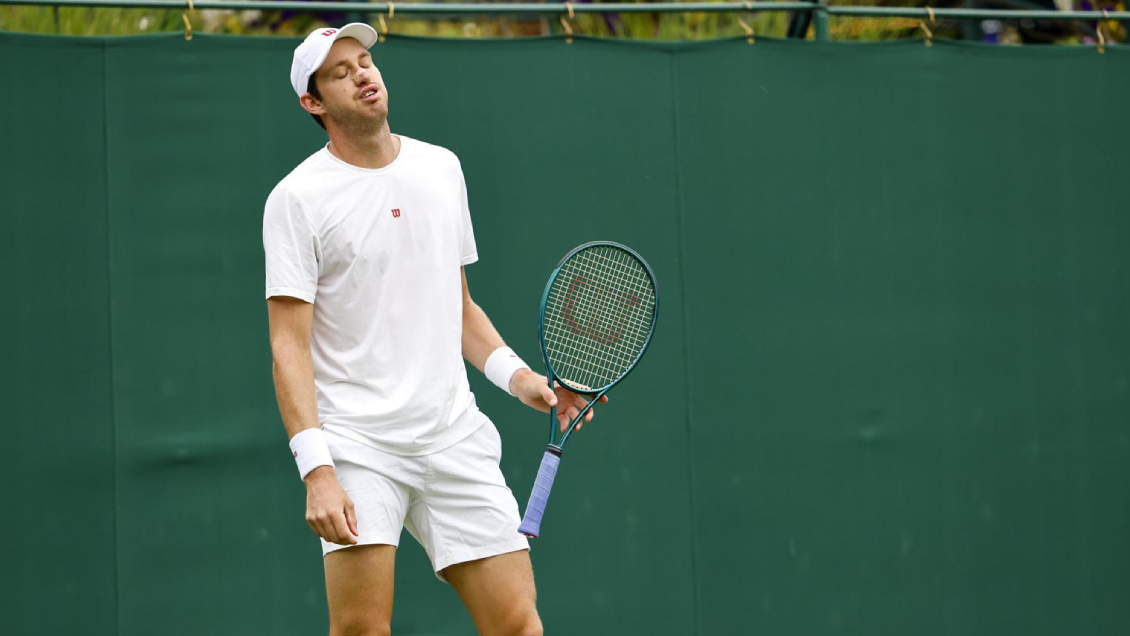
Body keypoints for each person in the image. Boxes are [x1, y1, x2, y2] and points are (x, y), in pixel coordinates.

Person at [262, 23, 606, 636]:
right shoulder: (296, 199)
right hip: (359, 448)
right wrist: (317, 470)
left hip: (453, 437)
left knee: (518, 626)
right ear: (313, 103)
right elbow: (288, 346)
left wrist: (522, 379)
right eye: (340, 73)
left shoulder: (440, 169)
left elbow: (460, 307)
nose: (363, 75)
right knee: (362, 630)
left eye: (364, 62)